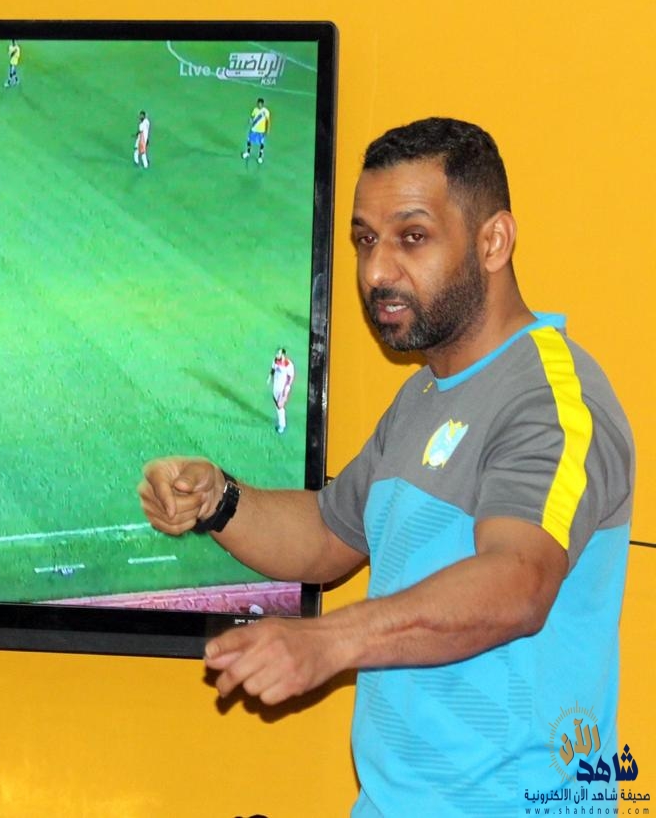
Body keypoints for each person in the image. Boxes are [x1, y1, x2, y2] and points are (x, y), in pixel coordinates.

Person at [138, 117, 634, 815]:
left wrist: (327, 642)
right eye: (365, 240)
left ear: (493, 241)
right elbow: (328, 534)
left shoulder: (553, 400)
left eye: (412, 237)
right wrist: (218, 498)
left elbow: (518, 581)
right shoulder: (424, 395)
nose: (376, 271)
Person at [268, 347, 294, 434]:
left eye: (278, 353)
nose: (276, 354)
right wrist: (270, 377)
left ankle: (282, 425)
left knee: (280, 406)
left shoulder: (288, 364)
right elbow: (273, 369)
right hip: (276, 387)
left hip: (283, 389)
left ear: (283, 354)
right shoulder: (275, 360)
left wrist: (287, 388)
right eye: (276, 353)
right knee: (277, 404)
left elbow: (291, 377)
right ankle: (281, 421)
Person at [241, 97, 270, 164]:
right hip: (254, 129)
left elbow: (268, 121)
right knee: (249, 140)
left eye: (260, 104)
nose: (259, 105)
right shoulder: (255, 110)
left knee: (261, 143)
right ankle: (247, 153)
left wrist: (267, 130)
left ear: (263, 104)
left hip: (261, 130)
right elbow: (252, 117)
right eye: (258, 104)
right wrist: (250, 120)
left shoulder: (266, 112)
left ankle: (260, 157)